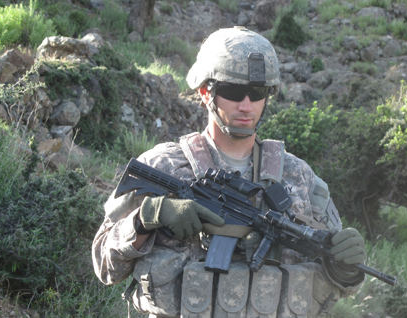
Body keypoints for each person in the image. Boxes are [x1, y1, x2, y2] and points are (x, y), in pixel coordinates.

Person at [92, 26, 366, 318]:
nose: (246, 105)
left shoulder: (298, 176)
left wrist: (347, 264)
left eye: (257, 93)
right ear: (204, 92)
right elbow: (105, 266)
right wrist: (146, 219)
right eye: (234, 91)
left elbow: (340, 282)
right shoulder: (163, 165)